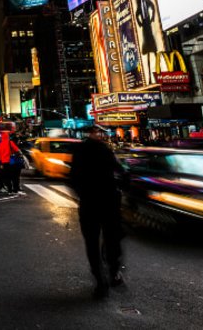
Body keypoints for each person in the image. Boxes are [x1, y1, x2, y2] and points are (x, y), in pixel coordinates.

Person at [69, 126, 126, 299]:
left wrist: (82, 193)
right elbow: (121, 172)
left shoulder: (79, 150)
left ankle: (101, 282)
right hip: (108, 201)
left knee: (92, 244)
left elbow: (73, 177)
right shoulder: (104, 150)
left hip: (89, 203)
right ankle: (113, 273)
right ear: (96, 134)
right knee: (112, 240)